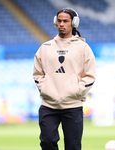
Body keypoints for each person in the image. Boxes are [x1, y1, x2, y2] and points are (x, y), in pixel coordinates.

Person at [33, 8, 96, 150]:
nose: (61, 24)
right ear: (56, 22)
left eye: (65, 21)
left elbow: (90, 75)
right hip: (49, 106)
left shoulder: (83, 48)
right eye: (59, 21)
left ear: (74, 23)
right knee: (47, 143)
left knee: (73, 146)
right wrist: (46, 90)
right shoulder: (45, 47)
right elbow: (37, 73)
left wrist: (77, 92)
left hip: (73, 106)